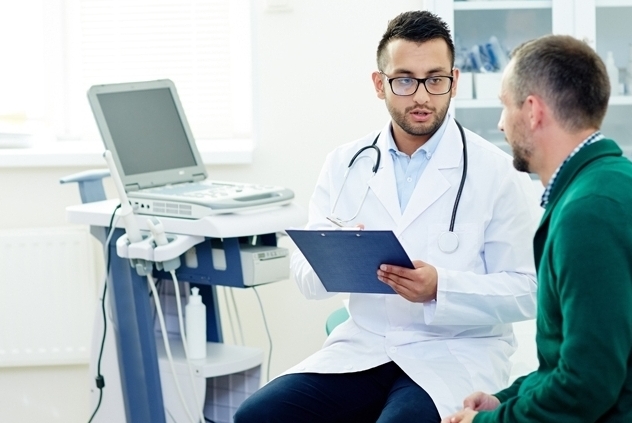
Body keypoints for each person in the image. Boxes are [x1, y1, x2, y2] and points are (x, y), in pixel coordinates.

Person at [234, 10, 540, 423]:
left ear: (454, 80)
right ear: (380, 85)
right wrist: (337, 260)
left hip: (455, 352)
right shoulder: (345, 164)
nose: (422, 96)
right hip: (366, 346)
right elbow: (304, 272)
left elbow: (527, 289)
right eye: (404, 80)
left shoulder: (497, 171)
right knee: (257, 415)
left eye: (435, 79)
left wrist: (440, 288)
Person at [444, 35, 632, 423]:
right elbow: (572, 360)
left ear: (532, 111)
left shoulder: (587, 214)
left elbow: (586, 384)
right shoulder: (610, 182)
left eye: (504, 106)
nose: (500, 124)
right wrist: (506, 401)